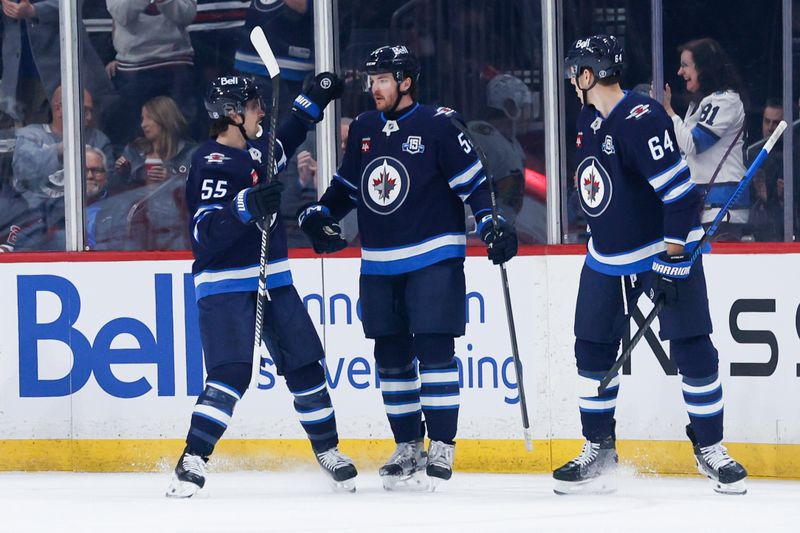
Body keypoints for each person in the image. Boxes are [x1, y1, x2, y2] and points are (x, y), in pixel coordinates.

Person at [297, 45, 518, 490]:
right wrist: (319, 214)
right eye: (371, 79)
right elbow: (347, 187)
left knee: (435, 349)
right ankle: (406, 446)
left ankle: (441, 444)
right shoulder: (362, 127)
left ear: (405, 81)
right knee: (390, 356)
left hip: (434, 255)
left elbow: (474, 182)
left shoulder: (438, 124)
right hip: (379, 262)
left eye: (382, 79)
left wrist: (492, 221)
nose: (373, 87)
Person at [555, 34, 748, 496]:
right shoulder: (586, 118)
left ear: (588, 74)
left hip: (662, 250)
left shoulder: (641, 119)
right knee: (591, 347)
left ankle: (709, 447)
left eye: (573, 72)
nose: (570, 81)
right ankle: (599, 446)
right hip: (605, 255)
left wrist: (676, 254)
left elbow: (681, 196)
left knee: (692, 345)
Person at [166, 73, 356, 498]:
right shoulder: (210, 163)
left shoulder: (257, 150)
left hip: (273, 279)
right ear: (232, 114)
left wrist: (314, 100)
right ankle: (193, 457)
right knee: (231, 373)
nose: (261, 111)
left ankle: (328, 450)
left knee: (305, 364)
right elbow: (204, 233)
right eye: (253, 106)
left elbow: (285, 138)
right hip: (226, 286)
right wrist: (245, 206)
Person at [659, 37, 749, 241]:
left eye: (685, 66)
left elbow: (693, 145)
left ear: (704, 68)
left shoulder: (724, 101)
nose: (679, 72)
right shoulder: (703, 103)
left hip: (721, 211)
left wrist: (669, 112)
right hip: (707, 209)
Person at [105, 0, 200, 146]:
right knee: (134, 135)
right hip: (133, 65)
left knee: (181, 131)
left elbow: (187, 15)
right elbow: (121, 14)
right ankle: (138, 169)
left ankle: (181, 168)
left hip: (176, 61)